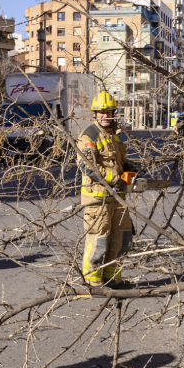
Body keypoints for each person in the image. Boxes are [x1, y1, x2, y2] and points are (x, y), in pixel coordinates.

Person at [77, 91, 139, 287]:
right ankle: (93, 282)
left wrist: (130, 168)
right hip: (98, 200)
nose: (105, 115)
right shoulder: (89, 135)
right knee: (99, 241)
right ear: (94, 114)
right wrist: (115, 178)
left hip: (118, 198)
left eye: (109, 111)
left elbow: (119, 161)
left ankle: (113, 279)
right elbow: (87, 166)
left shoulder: (116, 135)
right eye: (101, 112)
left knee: (122, 239)